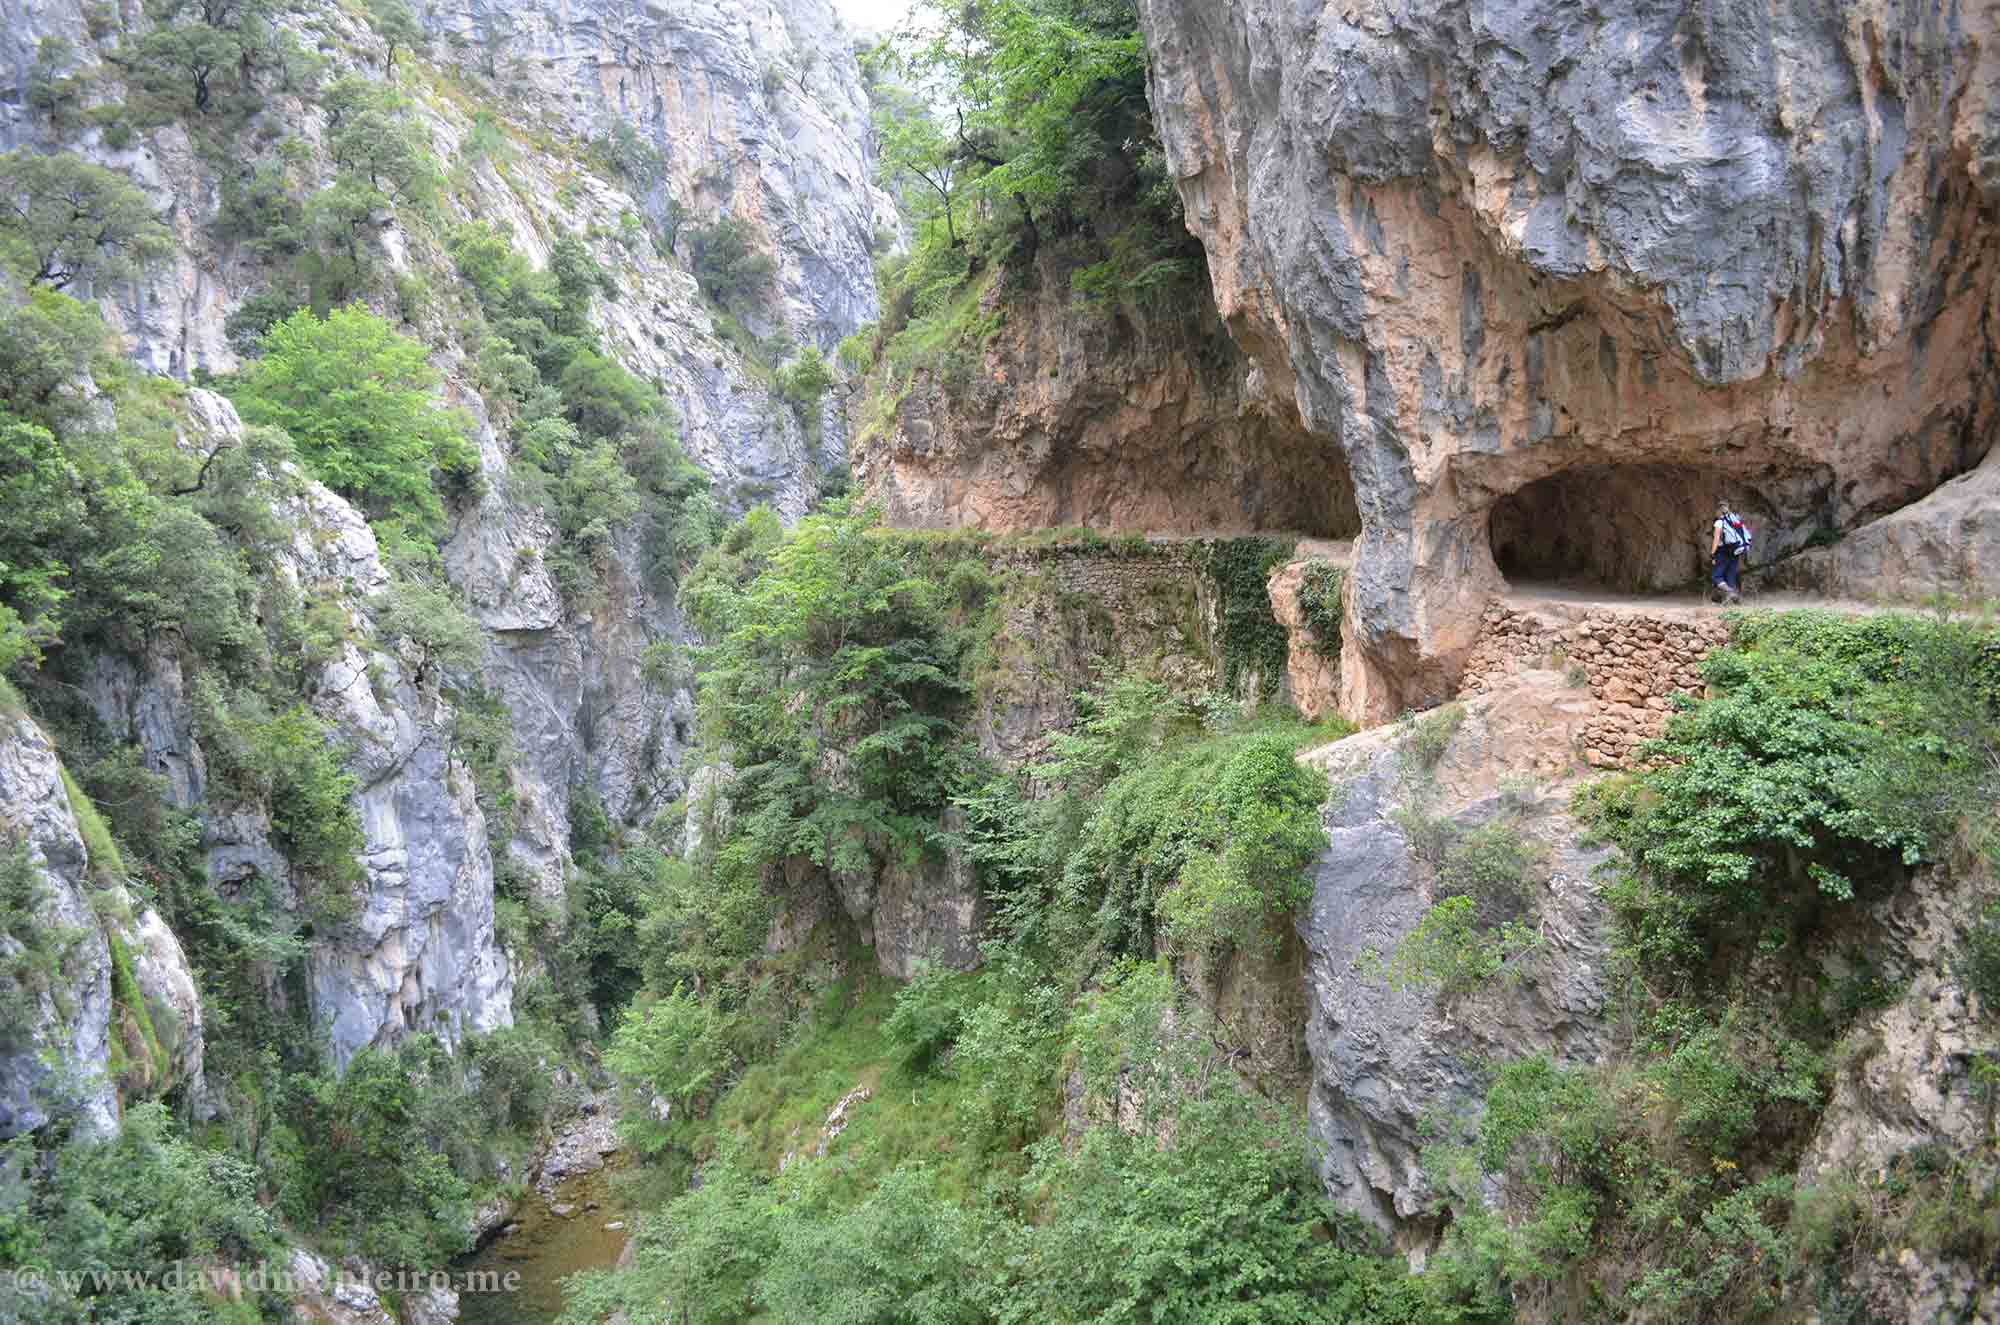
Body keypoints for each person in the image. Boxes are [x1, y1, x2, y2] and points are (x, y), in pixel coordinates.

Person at [1709, 502, 1744, 602]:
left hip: (1722, 551)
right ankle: (1734, 602)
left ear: (1718, 511)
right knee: (1730, 576)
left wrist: (1712, 554)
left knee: (1716, 577)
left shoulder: (1719, 522)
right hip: (1735, 550)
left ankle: (1731, 593)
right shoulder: (1736, 521)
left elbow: (1716, 539)